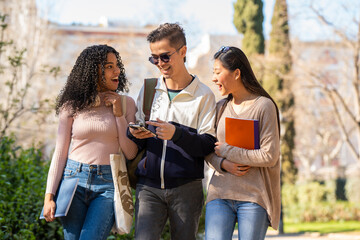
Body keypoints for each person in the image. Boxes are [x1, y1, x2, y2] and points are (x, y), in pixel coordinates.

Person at [127, 23, 217, 240]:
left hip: (187, 189)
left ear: (183, 52)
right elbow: (138, 137)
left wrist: (176, 133)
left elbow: (207, 144)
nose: (159, 63)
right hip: (148, 188)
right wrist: (136, 135)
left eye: (165, 56)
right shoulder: (149, 89)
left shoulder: (203, 96)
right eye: (154, 58)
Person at [42, 45, 138, 240]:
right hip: (73, 180)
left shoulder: (127, 103)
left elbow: (131, 152)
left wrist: (119, 115)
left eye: (117, 65)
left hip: (109, 183)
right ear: (94, 71)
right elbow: (60, 152)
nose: (117, 71)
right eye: (109, 66)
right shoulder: (72, 105)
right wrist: (49, 196)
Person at [205, 46, 281, 240]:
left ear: (236, 73)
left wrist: (228, 151)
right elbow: (208, 150)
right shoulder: (220, 107)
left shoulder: (264, 106)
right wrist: (223, 163)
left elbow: (269, 156)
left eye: (217, 72)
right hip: (219, 193)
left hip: (253, 197)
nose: (214, 79)